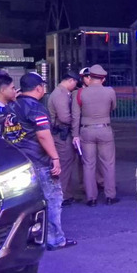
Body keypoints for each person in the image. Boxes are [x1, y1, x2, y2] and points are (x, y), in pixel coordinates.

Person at [3, 73, 77, 250]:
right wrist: (55, 158)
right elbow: (43, 135)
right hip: (38, 161)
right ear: (38, 88)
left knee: (24, 202)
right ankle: (54, 239)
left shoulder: (11, 106)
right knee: (52, 199)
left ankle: (26, 239)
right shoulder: (36, 108)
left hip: (18, 162)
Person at [72, 64, 118, 206]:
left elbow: (75, 116)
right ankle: (110, 195)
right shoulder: (110, 91)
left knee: (88, 164)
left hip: (86, 130)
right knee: (108, 163)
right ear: (103, 79)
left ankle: (91, 198)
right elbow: (113, 107)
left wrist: (75, 135)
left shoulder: (80, 93)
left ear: (90, 77)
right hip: (105, 129)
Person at [49, 72, 82, 206]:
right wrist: (77, 122)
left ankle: (67, 195)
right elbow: (64, 117)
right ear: (71, 81)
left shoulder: (61, 93)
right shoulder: (60, 95)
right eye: (75, 83)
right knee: (64, 165)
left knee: (67, 164)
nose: (75, 86)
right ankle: (61, 197)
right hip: (61, 134)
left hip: (62, 134)